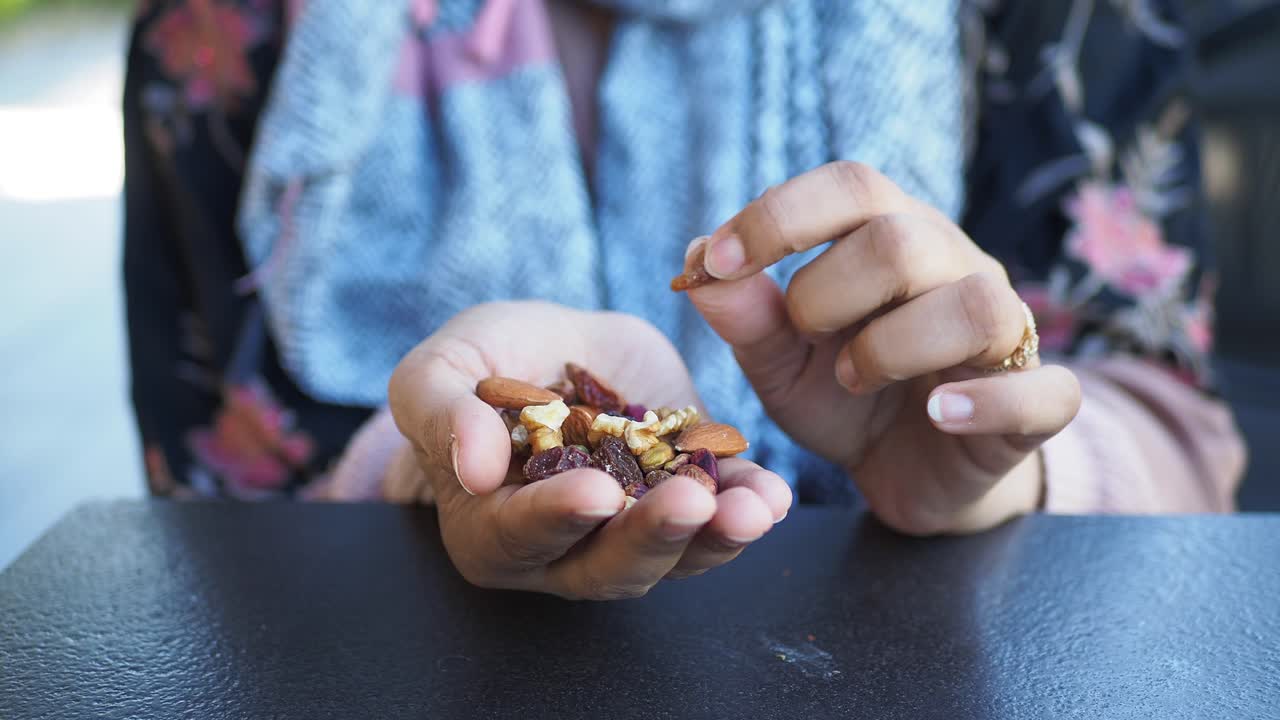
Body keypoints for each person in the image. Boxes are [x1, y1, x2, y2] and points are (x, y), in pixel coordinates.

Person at [124, 0, 1245, 599]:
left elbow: (1184, 437)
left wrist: (998, 469)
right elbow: (214, 542)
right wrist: (425, 469)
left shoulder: (1068, 15)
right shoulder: (231, 37)